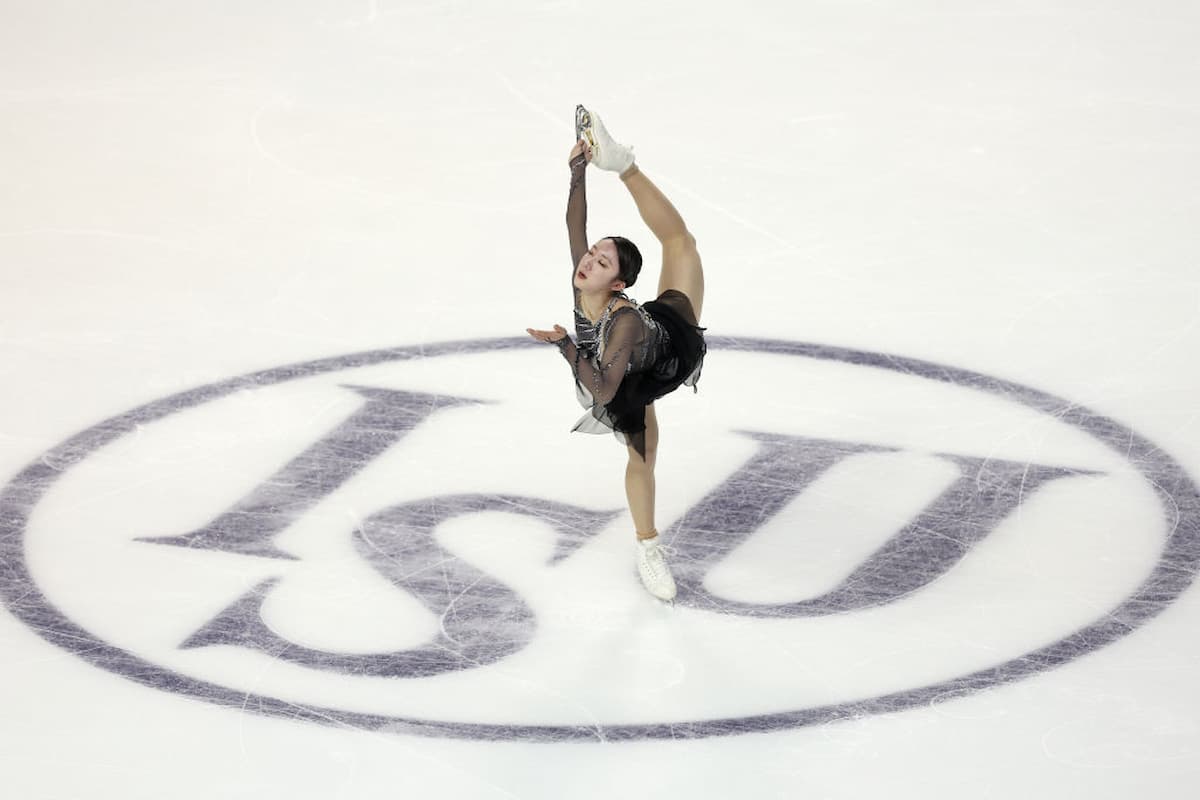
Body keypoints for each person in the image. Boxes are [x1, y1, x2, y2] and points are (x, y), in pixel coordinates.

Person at [527, 106, 707, 602]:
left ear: (620, 283)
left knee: (680, 242)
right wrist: (577, 171)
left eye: (601, 261)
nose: (587, 260)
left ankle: (627, 164)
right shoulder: (584, 278)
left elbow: (602, 388)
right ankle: (648, 544)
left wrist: (566, 344)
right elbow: (573, 226)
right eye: (591, 255)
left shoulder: (625, 321)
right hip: (616, 368)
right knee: (641, 459)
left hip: (665, 348)